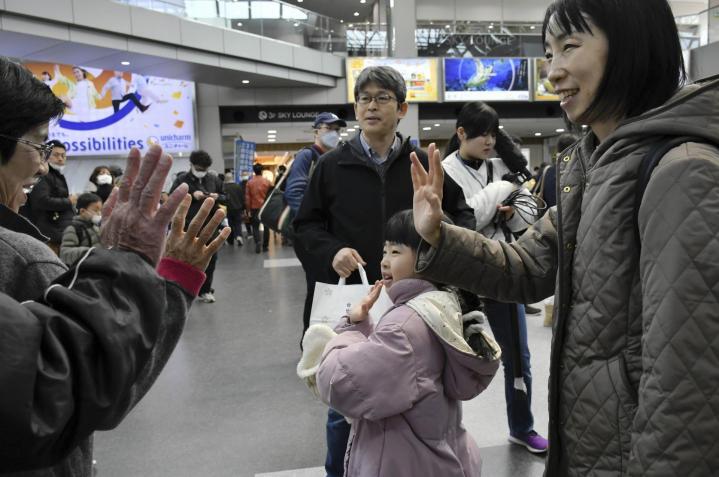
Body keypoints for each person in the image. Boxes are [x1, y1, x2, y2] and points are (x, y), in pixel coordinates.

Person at [409, 0, 719, 474]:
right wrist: (438, 234)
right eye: (549, 53)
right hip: (594, 444)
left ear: (633, 47)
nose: (553, 71)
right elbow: (528, 268)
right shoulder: (594, 166)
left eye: (569, 47)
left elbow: (685, 385)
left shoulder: (681, 169)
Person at [0, 55, 231, 472]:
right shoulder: (24, 263)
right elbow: (97, 384)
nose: (42, 161)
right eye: (37, 144)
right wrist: (154, 270)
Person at [293, 65, 475, 477]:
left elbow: (462, 220)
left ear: (402, 108)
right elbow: (304, 226)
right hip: (357, 305)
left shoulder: (424, 164)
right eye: (364, 98)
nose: (371, 106)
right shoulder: (331, 167)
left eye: (382, 98)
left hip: (414, 306)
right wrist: (332, 250)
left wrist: (436, 228)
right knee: (347, 406)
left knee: (420, 396)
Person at [314, 210, 500, 476]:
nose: (384, 262)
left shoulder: (403, 326)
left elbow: (339, 384)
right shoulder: (442, 308)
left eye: (396, 252)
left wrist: (351, 327)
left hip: (398, 463)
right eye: (384, 251)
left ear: (428, 259)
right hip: (438, 456)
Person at [441, 101, 548, 454]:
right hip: (459, 279)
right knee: (446, 360)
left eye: (492, 132)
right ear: (461, 133)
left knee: (518, 358)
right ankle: (442, 435)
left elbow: (525, 219)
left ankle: (522, 426)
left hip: (502, 268)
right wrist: (500, 197)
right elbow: (458, 225)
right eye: (481, 133)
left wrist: (510, 210)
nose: (488, 140)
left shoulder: (501, 166)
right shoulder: (444, 171)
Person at [285, 112, 347, 324]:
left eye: (337, 129)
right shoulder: (308, 155)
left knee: (329, 288)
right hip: (312, 237)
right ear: (316, 130)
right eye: (328, 128)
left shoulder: (337, 156)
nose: (334, 133)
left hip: (329, 235)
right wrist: (312, 223)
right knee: (318, 289)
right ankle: (310, 344)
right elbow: (293, 192)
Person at [170, 150, 226, 304]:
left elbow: (225, 196)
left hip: (210, 225)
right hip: (187, 225)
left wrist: (216, 196)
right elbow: (172, 197)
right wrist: (192, 194)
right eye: (199, 169)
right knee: (184, 258)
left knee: (210, 258)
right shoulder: (182, 180)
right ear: (191, 165)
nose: (202, 172)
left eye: (204, 170)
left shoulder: (213, 179)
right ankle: (182, 288)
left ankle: (205, 289)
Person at [26, 140, 76, 254]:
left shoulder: (56, 175)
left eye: (63, 155)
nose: (60, 158)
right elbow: (41, 200)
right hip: (49, 232)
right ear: (45, 155)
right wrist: (69, 201)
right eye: (56, 155)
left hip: (58, 231)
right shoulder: (44, 175)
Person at [59, 192, 102, 266]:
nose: (99, 214)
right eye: (95, 210)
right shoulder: (73, 228)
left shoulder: (96, 227)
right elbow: (64, 253)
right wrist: (89, 252)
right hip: (83, 269)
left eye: (100, 210)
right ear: (82, 211)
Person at [245, 163, 272, 253]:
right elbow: (271, 196)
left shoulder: (249, 182)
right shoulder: (267, 182)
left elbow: (247, 198)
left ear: (254, 171)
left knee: (255, 227)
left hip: (254, 207)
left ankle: (258, 242)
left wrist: (248, 210)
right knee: (266, 226)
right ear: (262, 171)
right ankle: (265, 246)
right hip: (265, 207)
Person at [223, 168, 245, 246]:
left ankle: (231, 240)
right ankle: (239, 236)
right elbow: (242, 198)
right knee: (238, 223)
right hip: (238, 208)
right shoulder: (238, 186)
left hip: (228, 208)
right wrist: (243, 208)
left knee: (230, 224)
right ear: (232, 178)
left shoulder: (224, 187)